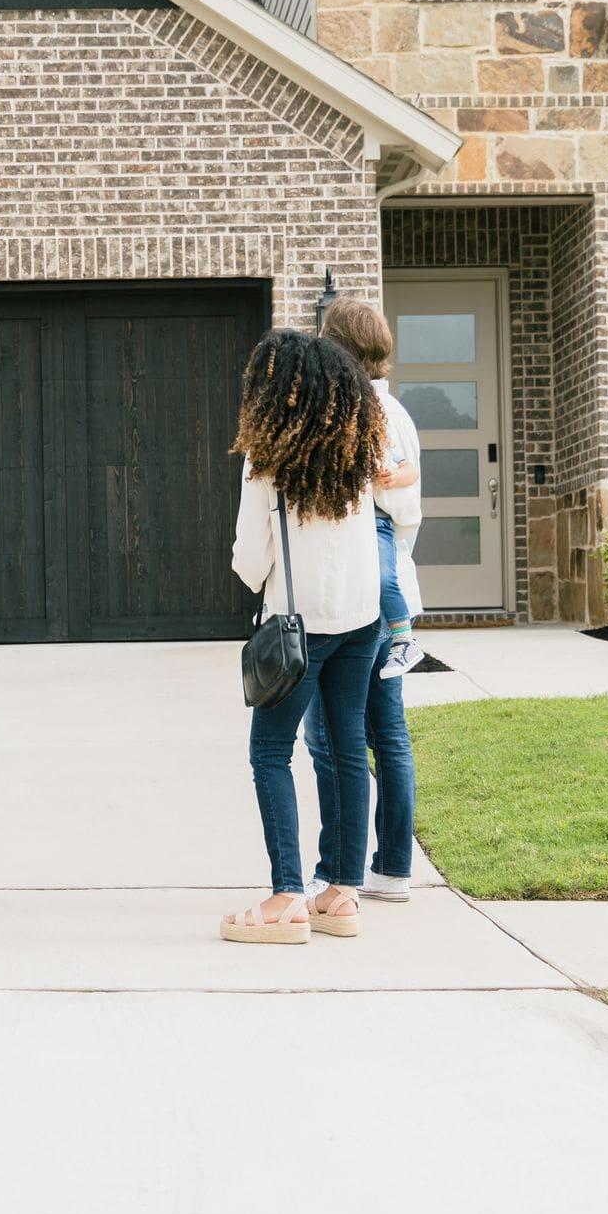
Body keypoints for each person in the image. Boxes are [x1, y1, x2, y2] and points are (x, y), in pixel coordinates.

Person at [223, 330, 386, 945]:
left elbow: (247, 559)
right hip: (360, 618)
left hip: (298, 624)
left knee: (270, 751)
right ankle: (342, 892)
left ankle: (287, 896)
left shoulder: (268, 458)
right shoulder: (358, 449)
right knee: (347, 747)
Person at [306, 298, 424, 903]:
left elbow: (388, 501)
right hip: (389, 577)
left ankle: (338, 870)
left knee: (330, 737)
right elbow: (407, 507)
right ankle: (393, 868)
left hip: (357, 591)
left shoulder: (357, 408)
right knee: (388, 732)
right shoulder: (396, 410)